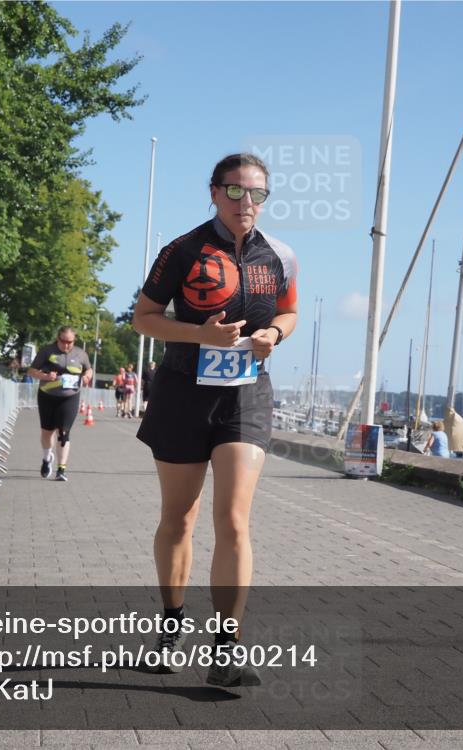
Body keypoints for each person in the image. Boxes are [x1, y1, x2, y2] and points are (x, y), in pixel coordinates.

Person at [132, 153, 297, 687]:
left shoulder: (281, 256)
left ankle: (226, 650)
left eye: (257, 194)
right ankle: (170, 626)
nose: (246, 203)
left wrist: (275, 335)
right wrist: (200, 334)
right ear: (214, 192)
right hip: (183, 391)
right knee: (179, 518)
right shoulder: (181, 251)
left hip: (245, 397)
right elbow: (144, 318)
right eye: (235, 192)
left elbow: (290, 311)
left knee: (233, 520)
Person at [27, 327, 93, 481]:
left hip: (70, 397)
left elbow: (89, 370)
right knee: (47, 432)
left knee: (64, 432)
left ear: (74, 340)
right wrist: (45, 375)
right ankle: (46, 458)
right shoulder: (47, 351)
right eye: (63, 341)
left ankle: (61, 469)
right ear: (58, 339)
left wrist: (87, 377)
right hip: (47, 396)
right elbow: (31, 371)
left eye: (69, 342)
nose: (66, 345)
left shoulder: (80, 354)